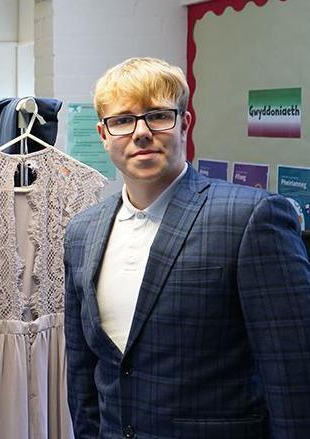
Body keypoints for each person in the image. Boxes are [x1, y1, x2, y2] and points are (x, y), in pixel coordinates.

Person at [63, 57, 310, 438]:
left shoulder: (250, 217)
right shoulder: (82, 232)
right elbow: (83, 371)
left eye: (158, 115)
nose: (141, 132)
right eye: (123, 120)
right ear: (103, 134)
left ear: (185, 124)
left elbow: (293, 372)